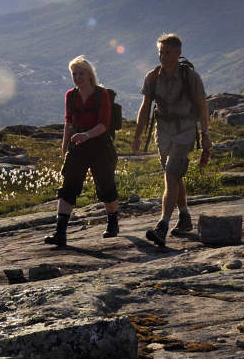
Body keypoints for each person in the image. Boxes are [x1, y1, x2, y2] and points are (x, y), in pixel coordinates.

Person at [131, 34, 211, 247]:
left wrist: (205, 135)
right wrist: (137, 136)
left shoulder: (190, 77)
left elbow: (202, 107)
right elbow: (145, 107)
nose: (163, 57)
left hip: (185, 132)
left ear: (178, 53)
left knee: (170, 174)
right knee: (174, 176)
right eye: (161, 53)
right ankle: (184, 216)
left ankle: (162, 225)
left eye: (167, 53)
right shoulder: (152, 77)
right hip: (163, 133)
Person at [45, 55, 120, 247]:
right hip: (77, 146)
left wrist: (86, 135)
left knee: (105, 186)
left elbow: (104, 124)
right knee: (68, 187)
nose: (77, 77)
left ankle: (113, 221)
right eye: (74, 74)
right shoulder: (71, 96)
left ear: (89, 75)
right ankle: (60, 232)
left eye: (81, 74)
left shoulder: (101, 94)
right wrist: (64, 147)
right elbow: (69, 123)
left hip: (100, 145)